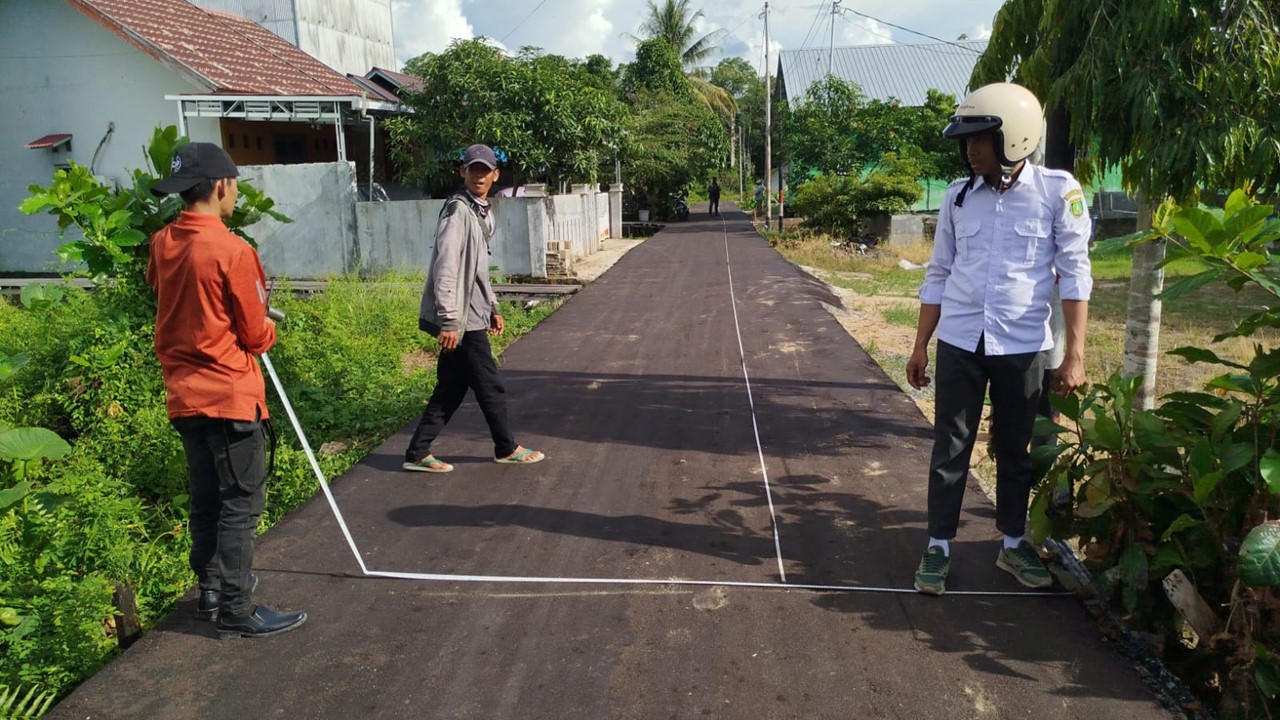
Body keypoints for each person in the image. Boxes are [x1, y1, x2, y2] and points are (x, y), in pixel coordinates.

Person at [905, 83, 1092, 595]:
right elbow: (938, 273)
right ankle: (938, 547)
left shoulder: (1057, 192)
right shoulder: (957, 197)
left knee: (1015, 450)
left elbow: (1075, 275)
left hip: (1023, 348)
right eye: (966, 140)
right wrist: (922, 343)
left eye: (981, 138)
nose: (971, 148)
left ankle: (1012, 544)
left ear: (1014, 136)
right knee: (951, 448)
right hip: (962, 344)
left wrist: (1073, 356)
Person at [146, 142, 307, 638]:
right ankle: (237, 608)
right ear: (221, 187)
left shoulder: (161, 242)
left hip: (185, 396)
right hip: (230, 395)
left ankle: (211, 591)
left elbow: (165, 292)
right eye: (234, 185)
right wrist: (266, 322)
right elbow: (256, 334)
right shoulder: (234, 250)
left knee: (206, 499)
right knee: (241, 502)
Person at [404, 144, 546, 473]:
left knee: (451, 388)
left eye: (485, 170)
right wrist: (450, 321)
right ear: (462, 172)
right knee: (489, 384)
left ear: (496, 175)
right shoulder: (458, 211)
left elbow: (478, 269)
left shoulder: (481, 211)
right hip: (462, 320)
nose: (479, 175)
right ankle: (506, 447)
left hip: (473, 314)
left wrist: (493, 306)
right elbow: (447, 267)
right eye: (473, 169)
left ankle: (417, 452)